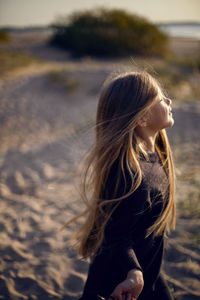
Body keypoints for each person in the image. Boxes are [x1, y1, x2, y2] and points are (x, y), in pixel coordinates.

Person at [74, 71, 176, 300]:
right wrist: (133, 271)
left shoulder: (157, 156)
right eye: (160, 98)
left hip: (147, 276)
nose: (168, 101)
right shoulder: (129, 175)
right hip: (117, 287)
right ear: (141, 119)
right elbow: (116, 236)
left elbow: (148, 238)